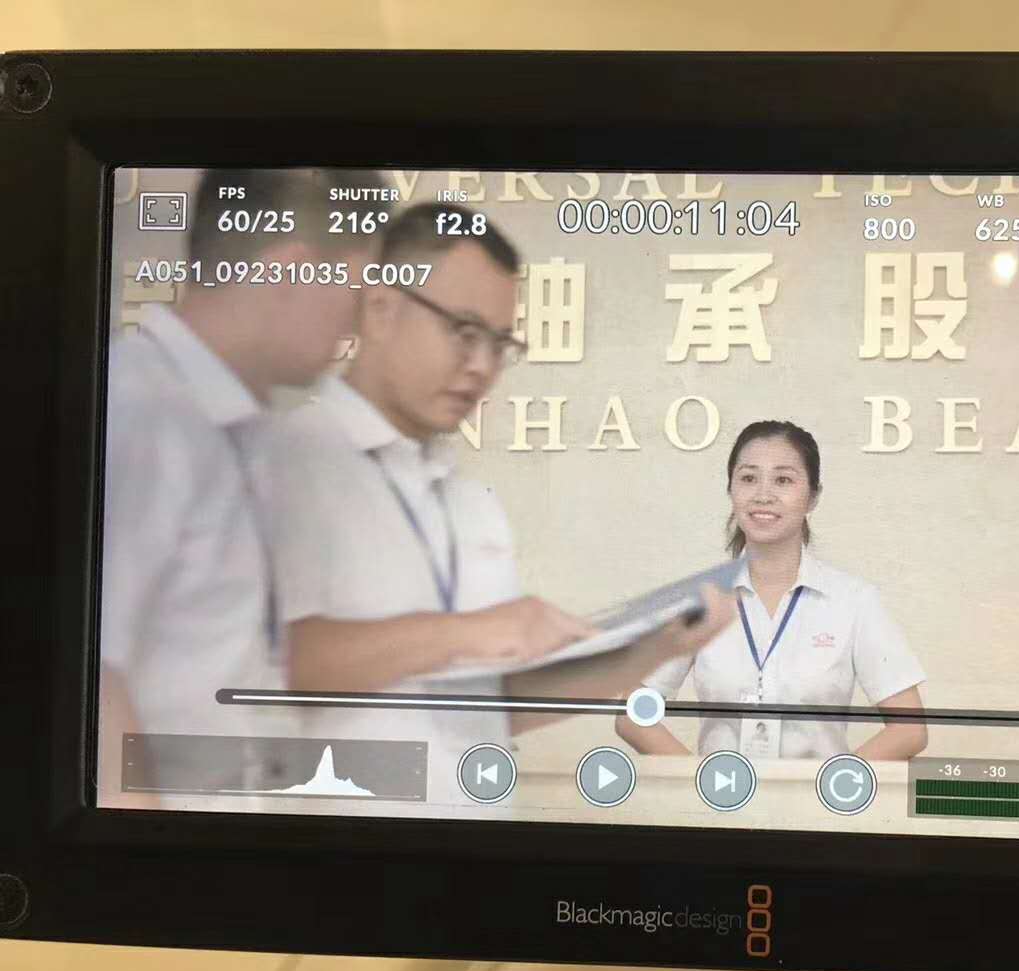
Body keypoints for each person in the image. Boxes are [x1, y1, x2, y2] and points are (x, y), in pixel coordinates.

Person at [262, 202, 732, 802]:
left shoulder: (469, 504)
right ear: (380, 309)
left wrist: (646, 653)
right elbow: (262, 664)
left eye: (500, 343)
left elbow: (490, 709)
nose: (483, 367)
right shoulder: (280, 461)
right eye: (464, 332)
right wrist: (465, 633)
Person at [99, 168, 383, 799]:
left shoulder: (240, 434)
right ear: (291, 271)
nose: (358, 326)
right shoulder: (138, 410)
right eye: (357, 292)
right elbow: (91, 679)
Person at [617, 420, 929, 761]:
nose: (763, 495)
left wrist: (832, 784)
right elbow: (632, 717)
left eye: (783, 480)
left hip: (816, 795)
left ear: (813, 497)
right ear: (731, 490)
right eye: (749, 478)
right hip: (719, 794)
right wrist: (703, 780)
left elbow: (909, 730)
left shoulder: (854, 600)